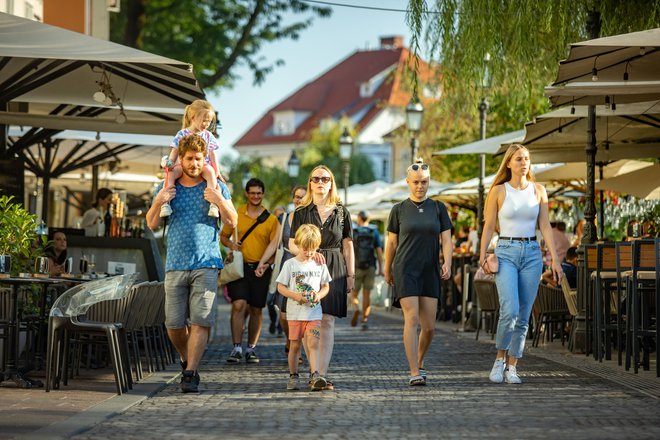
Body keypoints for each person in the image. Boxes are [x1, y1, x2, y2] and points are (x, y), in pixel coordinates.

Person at [146, 133, 237, 393]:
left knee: (201, 321)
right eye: (190, 158)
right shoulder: (167, 186)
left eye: (199, 158)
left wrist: (218, 200)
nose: (195, 163)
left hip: (206, 263)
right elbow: (152, 223)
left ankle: (191, 372)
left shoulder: (216, 185)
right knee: (173, 324)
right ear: (181, 160)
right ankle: (187, 359)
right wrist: (159, 202)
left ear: (204, 158)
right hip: (175, 263)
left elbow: (233, 221)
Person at [480, 144, 562, 385]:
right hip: (505, 251)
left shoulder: (539, 190)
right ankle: (499, 359)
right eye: (518, 159)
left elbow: (545, 226)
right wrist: (482, 254)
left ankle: (512, 366)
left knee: (524, 315)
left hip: (532, 253)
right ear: (509, 163)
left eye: (526, 159)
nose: (523, 162)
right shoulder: (498, 190)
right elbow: (488, 225)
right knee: (510, 310)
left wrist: (555, 259)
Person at [384, 160, 452, 386]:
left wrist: (448, 262)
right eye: (415, 182)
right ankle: (414, 371)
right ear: (408, 182)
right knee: (411, 318)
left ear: (429, 182)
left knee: (430, 326)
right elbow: (391, 243)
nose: (420, 186)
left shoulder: (438, 208)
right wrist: (387, 268)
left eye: (424, 182)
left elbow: (446, 239)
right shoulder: (398, 210)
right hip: (405, 268)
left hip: (429, 269)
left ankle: (420, 360)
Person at [288, 165, 354, 390]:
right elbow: (290, 242)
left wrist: (351, 274)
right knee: (310, 321)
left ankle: (321, 374)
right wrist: (307, 251)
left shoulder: (342, 212)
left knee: (327, 320)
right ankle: (313, 371)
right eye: (315, 178)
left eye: (325, 178)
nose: (320, 182)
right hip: (308, 268)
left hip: (334, 267)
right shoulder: (301, 211)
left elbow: (348, 244)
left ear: (331, 182)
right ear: (310, 183)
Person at [221, 178, 279, 364]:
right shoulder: (236, 214)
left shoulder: (271, 220)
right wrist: (231, 244)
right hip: (239, 267)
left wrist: (267, 264)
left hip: (260, 270)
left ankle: (251, 349)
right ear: (246, 193)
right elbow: (223, 237)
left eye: (259, 193)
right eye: (252, 193)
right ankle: (236, 347)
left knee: (256, 309)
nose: (255, 196)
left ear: (263, 194)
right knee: (238, 305)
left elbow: (275, 247)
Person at [276, 224, 331, 391]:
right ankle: (293, 375)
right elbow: (280, 286)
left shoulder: (319, 264)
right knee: (295, 346)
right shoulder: (290, 265)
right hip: (295, 314)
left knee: (313, 343)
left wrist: (319, 296)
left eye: (313, 249)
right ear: (298, 245)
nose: (309, 253)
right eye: (306, 249)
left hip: (314, 313)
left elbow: (326, 286)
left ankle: (315, 375)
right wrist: (295, 296)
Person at [256, 185, 308, 356]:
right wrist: (263, 262)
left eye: (302, 197)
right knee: (284, 315)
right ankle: (290, 339)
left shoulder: (313, 220)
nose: (298, 200)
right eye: (296, 196)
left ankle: (296, 347)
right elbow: (274, 243)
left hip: (305, 270)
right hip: (286, 267)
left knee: (302, 312)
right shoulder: (285, 218)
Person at [160, 100, 224, 218]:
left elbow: (212, 154)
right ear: (193, 118)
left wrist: (217, 171)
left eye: (209, 122)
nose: (207, 124)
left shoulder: (208, 135)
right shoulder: (182, 134)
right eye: (204, 120)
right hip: (183, 166)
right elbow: (174, 152)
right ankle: (165, 203)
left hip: (203, 165)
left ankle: (213, 204)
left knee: (210, 172)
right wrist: (170, 164)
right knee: (171, 174)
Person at [350, 210, 383, 330]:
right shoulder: (374, 232)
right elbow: (379, 251)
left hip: (356, 267)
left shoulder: (354, 232)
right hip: (370, 267)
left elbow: (349, 250)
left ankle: (356, 307)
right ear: (368, 219)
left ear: (359, 219)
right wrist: (380, 268)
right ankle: (365, 319)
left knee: (353, 294)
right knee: (366, 294)